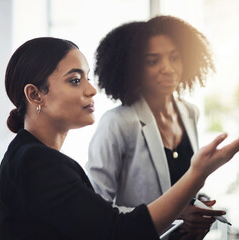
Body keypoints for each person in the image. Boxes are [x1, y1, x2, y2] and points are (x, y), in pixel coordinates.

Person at [0, 36, 239, 240]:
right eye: (75, 80)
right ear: (35, 95)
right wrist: (198, 172)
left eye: (87, 78)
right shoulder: (36, 162)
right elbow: (117, 232)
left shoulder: (30, 156)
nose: (91, 90)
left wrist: (183, 217)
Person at [86, 16, 216, 239]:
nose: (167, 68)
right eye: (152, 61)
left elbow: (177, 186)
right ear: (133, 68)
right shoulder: (118, 123)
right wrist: (176, 215)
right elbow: (95, 212)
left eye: (174, 58)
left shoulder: (189, 113)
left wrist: (199, 204)